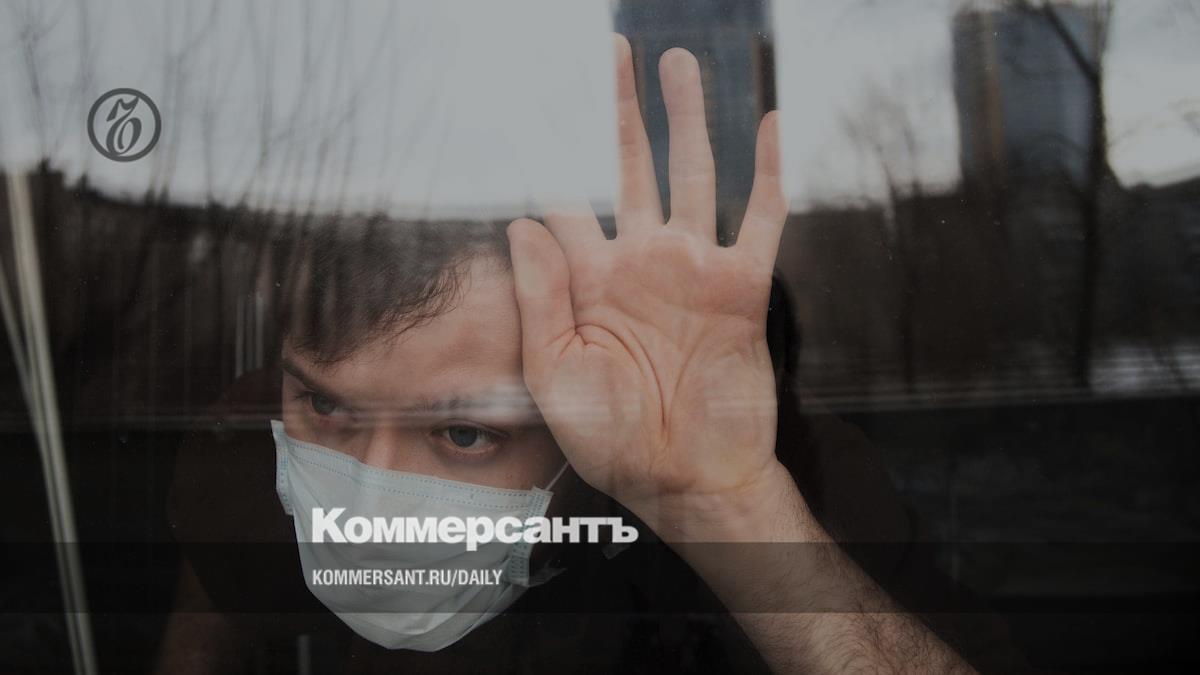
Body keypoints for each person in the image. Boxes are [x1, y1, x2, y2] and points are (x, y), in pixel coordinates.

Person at [158, 38, 1026, 673]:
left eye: (464, 433)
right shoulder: (248, 464)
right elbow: (216, 607)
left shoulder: (808, 487)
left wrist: (729, 509)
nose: (369, 506)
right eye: (327, 405)